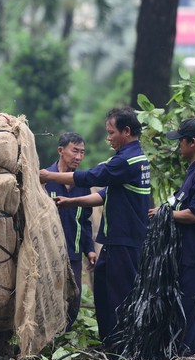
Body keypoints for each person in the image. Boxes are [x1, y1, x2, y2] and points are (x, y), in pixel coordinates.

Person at [40, 107, 150, 345]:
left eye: (111, 133)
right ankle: (110, 343)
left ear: (126, 131)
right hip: (113, 240)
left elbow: (92, 177)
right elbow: (104, 194)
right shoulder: (131, 158)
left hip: (125, 239)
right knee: (102, 287)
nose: (108, 138)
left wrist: (50, 177)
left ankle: (124, 347)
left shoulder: (127, 160)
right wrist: (72, 202)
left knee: (120, 296)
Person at [148, 117, 195, 355]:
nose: (178, 145)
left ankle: (185, 357)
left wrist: (165, 213)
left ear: (192, 142)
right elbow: (181, 200)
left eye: (181, 141)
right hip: (190, 251)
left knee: (187, 308)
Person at [44, 132, 97, 331]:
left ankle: (63, 333)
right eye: (75, 151)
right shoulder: (45, 180)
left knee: (73, 298)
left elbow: (85, 220)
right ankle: (47, 335)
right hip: (48, 253)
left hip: (73, 253)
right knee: (49, 295)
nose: (79, 157)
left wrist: (89, 249)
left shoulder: (82, 184)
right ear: (61, 151)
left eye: (82, 152)